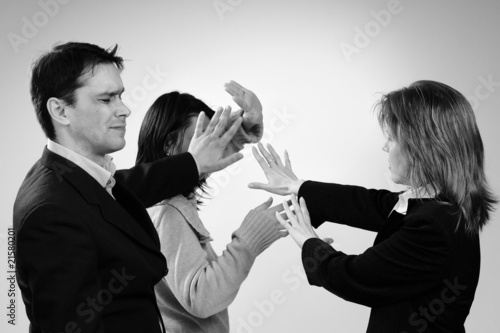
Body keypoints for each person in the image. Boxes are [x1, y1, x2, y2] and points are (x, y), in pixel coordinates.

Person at [13, 42, 244, 333]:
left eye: (120, 96)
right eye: (106, 99)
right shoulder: (52, 213)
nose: (124, 109)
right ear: (60, 111)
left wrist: (205, 156)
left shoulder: (76, 180)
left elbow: (129, 186)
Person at [249, 80, 497, 332]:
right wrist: (298, 186)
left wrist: (309, 241)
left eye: (391, 139)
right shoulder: (441, 206)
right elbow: (368, 203)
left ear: (422, 148)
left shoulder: (433, 226)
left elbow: (356, 277)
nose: (384, 146)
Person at [135, 82, 287, 333]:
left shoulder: (166, 202)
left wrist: (246, 125)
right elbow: (201, 298)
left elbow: (207, 155)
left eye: (212, 136)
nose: (213, 146)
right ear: (169, 146)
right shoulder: (167, 211)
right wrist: (249, 240)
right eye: (201, 137)